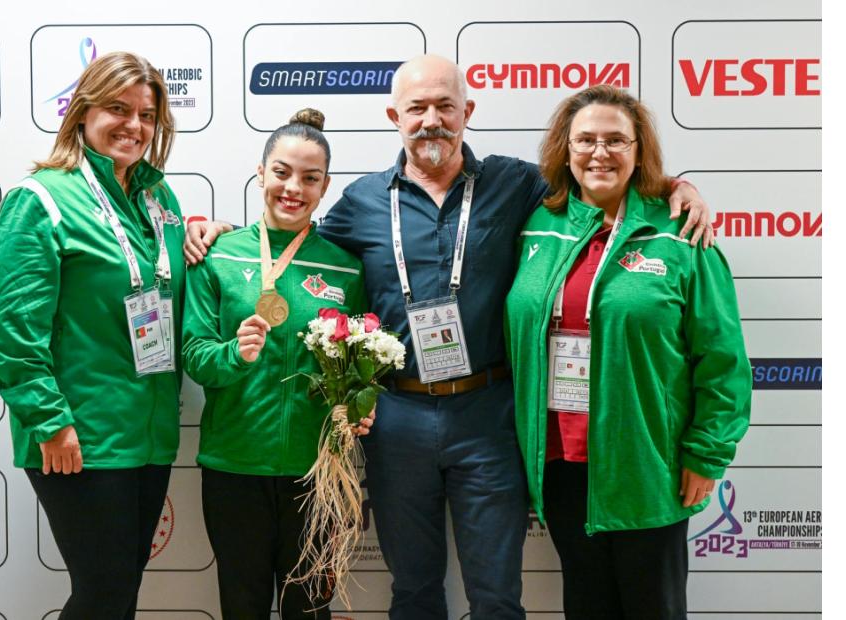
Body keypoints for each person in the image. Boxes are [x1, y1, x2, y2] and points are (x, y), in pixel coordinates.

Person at [185, 54, 713, 619]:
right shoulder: (362, 201)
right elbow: (291, 236)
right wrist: (214, 230)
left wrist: (675, 188)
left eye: (444, 106)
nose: (431, 119)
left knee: (494, 593)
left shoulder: (518, 185)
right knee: (412, 588)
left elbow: (597, 180)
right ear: (394, 115)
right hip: (397, 417)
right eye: (417, 108)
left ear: (468, 111)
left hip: (488, 414)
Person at [0, 51, 221, 619]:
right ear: (82, 111)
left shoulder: (158, 198)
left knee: (117, 596)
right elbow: (15, 330)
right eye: (118, 108)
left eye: (147, 114)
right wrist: (50, 421)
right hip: (79, 438)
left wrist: (215, 235)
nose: (134, 125)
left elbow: (169, 286)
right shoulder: (41, 199)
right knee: (104, 596)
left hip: (149, 432)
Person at [505, 84, 752, 619]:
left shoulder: (680, 232)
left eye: (616, 141)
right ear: (564, 149)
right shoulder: (536, 223)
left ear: (639, 151)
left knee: (652, 608)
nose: (599, 152)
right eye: (585, 140)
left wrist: (707, 453)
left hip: (647, 465)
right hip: (562, 465)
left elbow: (722, 356)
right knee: (586, 605)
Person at [182, 109, 373, 620]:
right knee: (241, 606)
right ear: (260, 173)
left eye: (310, 178)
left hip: (318, 474)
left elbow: (355, 363)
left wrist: (359, 403)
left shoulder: (345, 266)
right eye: (282, 172)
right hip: (234, 466)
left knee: (310, 611)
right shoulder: (217, 255)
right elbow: (196, 355)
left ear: (326, 185)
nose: (294, 188)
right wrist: (233, 354)